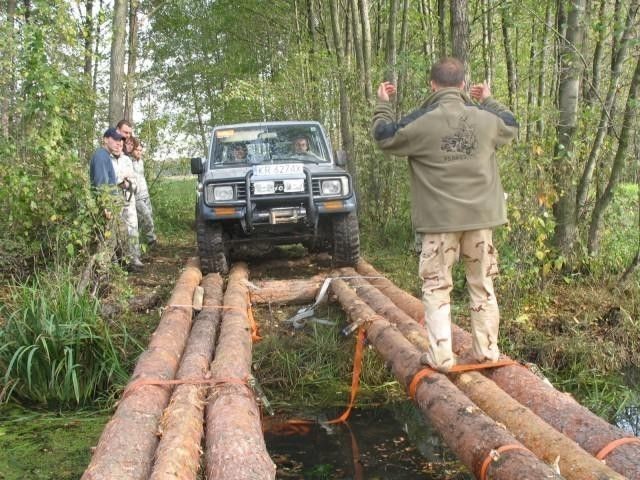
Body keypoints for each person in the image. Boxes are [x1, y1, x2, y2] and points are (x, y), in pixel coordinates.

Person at [371, 57, 518, 372]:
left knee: (437, 287)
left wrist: (383, 105)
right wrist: (488, 99)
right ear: (464, 84)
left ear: (432, 85)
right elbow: (511, 124)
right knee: (482, 284)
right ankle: (487, 352)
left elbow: (384, 135)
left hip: (439, 224)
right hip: (480, 222)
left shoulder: (422, 121)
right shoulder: (486, 119)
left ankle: (441, 357)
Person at [129, 136, 157, 248]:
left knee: (143, 219)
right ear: (132, 150)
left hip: (146, 194)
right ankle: (152, 240)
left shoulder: (141, 162)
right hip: (137, 196)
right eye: (137, 150)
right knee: (147, 217)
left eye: (141, 150)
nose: (139, 152)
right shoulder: (128, 162)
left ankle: (138, 243)